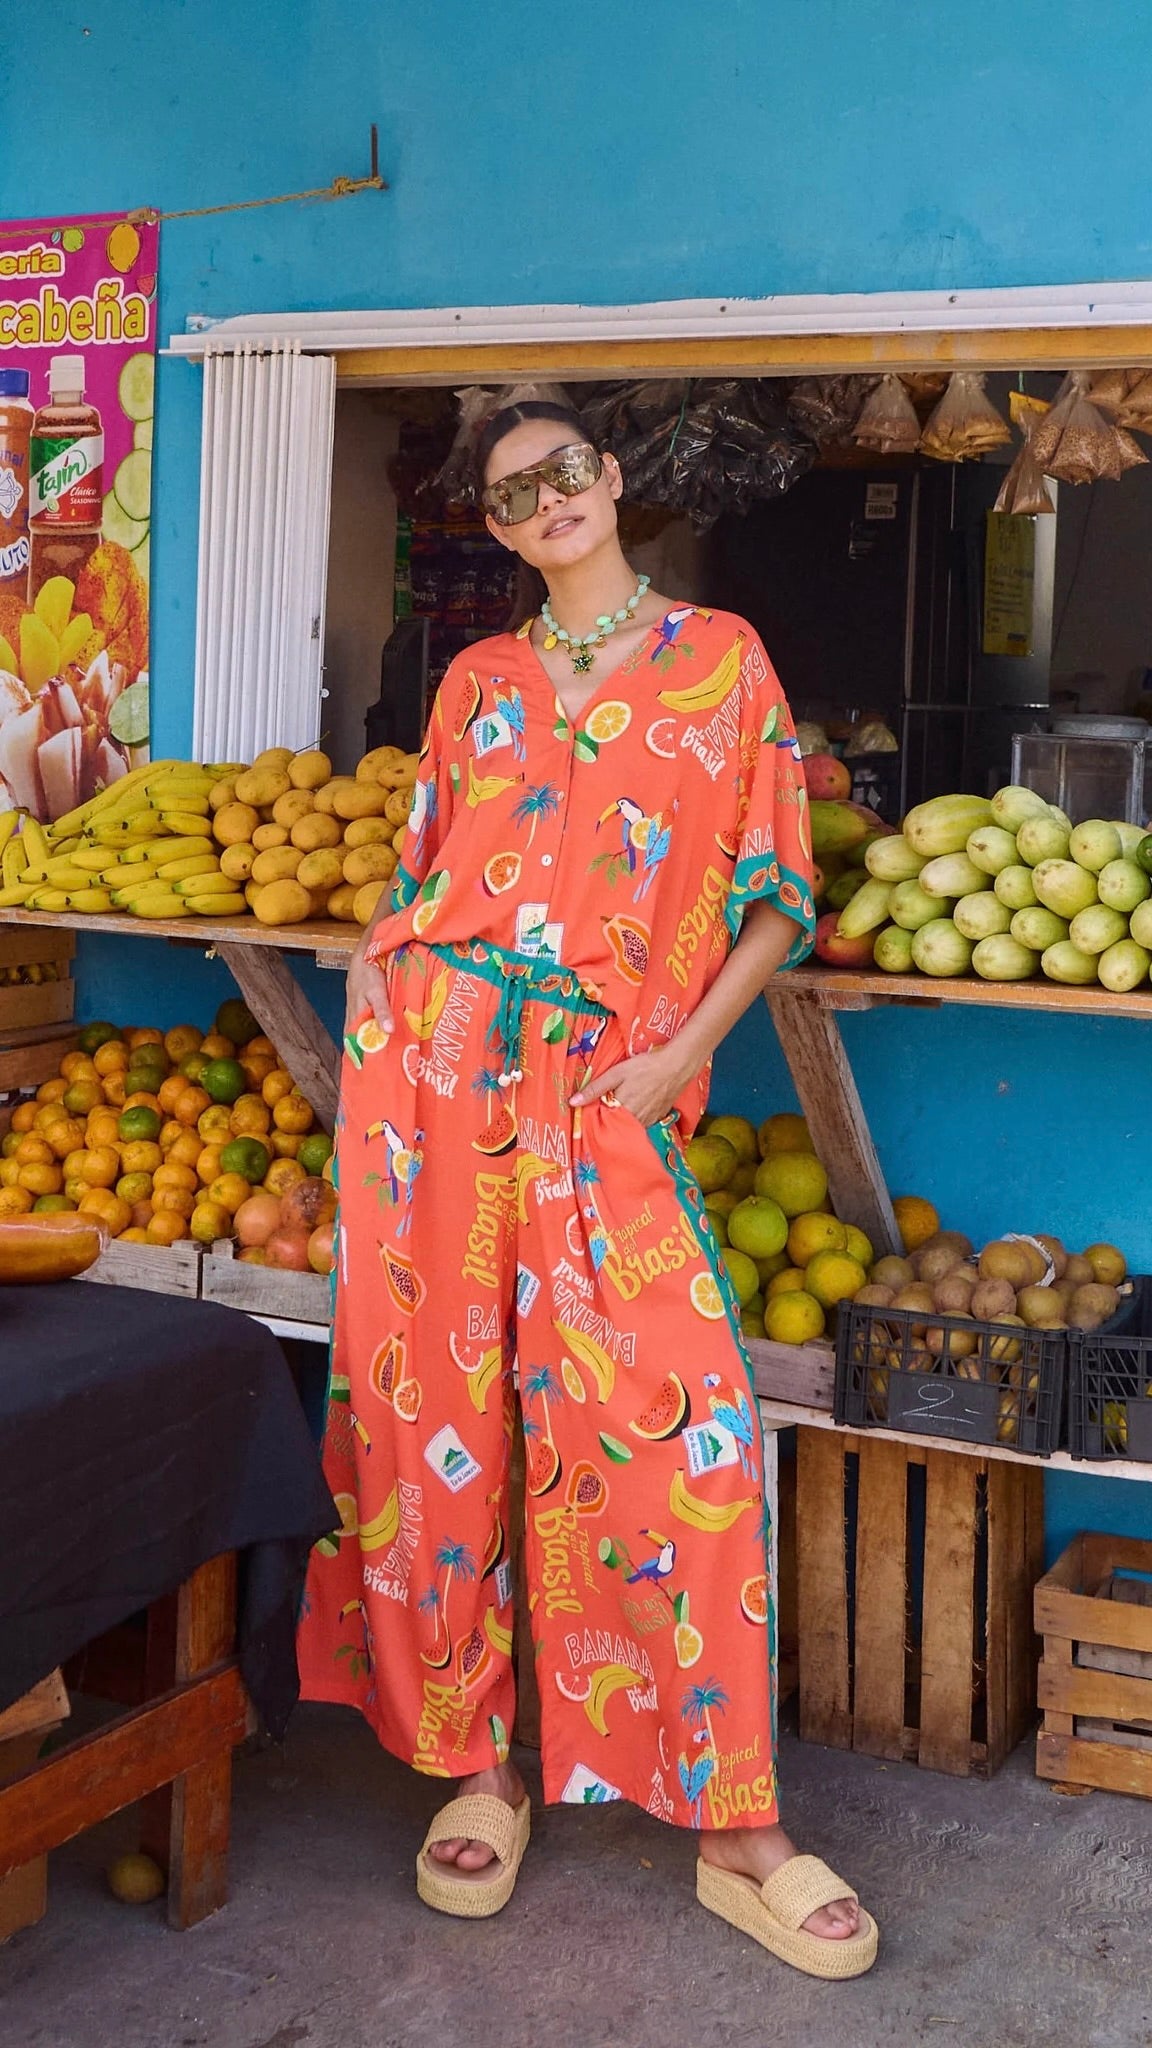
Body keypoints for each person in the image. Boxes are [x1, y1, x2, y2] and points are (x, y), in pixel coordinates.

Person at [297, 399, 878, 1979]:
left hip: (607, 1089)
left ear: (611, 483)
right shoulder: (478, 682)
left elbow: (774, 891)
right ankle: (478, 1764)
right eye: (508, 493)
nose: (543, 502)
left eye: (564, 473)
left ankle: (736, 1823)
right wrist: (388, 1014)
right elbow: (420, 878)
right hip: (429, 1080)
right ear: (490, 526)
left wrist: (675, 1051)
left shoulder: (720, 658)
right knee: (442, 1412)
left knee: (671, 1410)